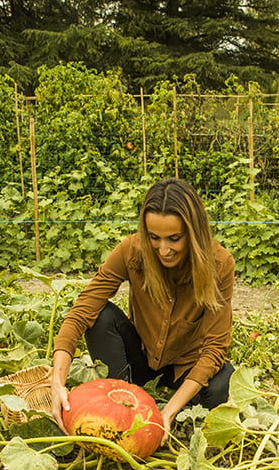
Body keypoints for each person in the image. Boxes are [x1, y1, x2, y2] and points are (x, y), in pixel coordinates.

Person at [50, 177, 235, 447]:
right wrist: (57, 382)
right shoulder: (131, 251)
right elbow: (81, 312)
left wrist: (168, 411)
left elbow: (216, 347)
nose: (163, 249)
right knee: (100, 317)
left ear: (193, 233)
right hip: (141, 359)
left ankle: (178, 402)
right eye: (154, 237)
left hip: (186, 365)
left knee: (222, 387)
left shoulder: (219, 264)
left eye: (174, 239)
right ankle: (120, 399)